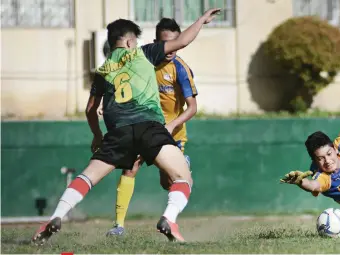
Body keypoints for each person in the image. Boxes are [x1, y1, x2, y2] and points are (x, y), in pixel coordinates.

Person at [31, 8, 220, 245]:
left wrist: (97, 136)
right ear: (131, 41)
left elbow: (91, 110)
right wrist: (202, 19)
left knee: (86, 178)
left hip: (118, 132)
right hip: (149, 127)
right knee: (183, 178)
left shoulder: (102, 71)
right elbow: (182, 41)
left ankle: (56, 216)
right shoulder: (145, 53)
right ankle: (169, 219)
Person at [105, 18, 198, 237]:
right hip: (143, 127)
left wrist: (172, 124)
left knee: (169, 182)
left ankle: (169, 220)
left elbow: (192, 107)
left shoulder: (181, 69)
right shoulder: (142, 63)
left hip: (171, 134)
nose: (171, 50)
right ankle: (118, 225)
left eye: (176, 43)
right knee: (130, 167)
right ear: (157, 42)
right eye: (167, 43)